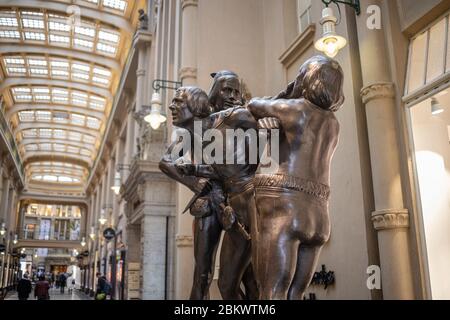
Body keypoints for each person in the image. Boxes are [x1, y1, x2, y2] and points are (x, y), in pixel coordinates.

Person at [247, 55, 344, 299]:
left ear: (306, 80)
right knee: (296, 294)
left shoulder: (296, 109)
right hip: (319, 216)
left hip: (285, 205)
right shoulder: (333, 124)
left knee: (271, 293)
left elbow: (253, 104)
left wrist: (287, 93)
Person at [160, 72, 258, 300]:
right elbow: (166, 161)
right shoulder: (195, 121)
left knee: (248, 275)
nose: (232, 96)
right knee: (202, 273)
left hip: (239, 199)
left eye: (236, 91)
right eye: (226, 90)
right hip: (209, 202)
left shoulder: (238, 117)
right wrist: (194, 182)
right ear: (215, 91)